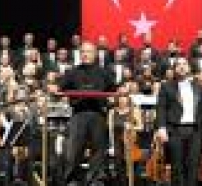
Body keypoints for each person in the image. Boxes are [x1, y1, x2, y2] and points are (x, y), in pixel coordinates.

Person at [48, 41, 116, 186]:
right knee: (74, 150)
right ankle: (71, 180)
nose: (85, 54)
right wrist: (54, 88)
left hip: (98, 114)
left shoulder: (104, 72)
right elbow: (59, 88)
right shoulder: (72, 72)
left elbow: (115, 88)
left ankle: (95, 181)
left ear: (95, 54)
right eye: (83, 52)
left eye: (88, 51)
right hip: (79, 114)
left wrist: (120, 90)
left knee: (98, 149)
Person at [156, 57, 202, 186]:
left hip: (195, 131)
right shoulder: (166, 86)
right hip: (175, 130)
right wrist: (161, 128)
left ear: (189, 67)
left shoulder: (199, 88)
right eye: (178, 65)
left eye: (184, 64)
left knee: (193, 165)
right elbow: (161, 108)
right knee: (177, 166)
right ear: (174, 69)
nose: (181, 66)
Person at [107, 90, 143, 185]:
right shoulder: (112, 112)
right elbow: (110, 130)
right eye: (120, 97)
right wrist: (111, 145)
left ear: (128, 98)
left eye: (124, 97)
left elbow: (141, 127)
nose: (122, 99)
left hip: (130, 142)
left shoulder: (134, 110)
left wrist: (131, 127)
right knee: (119, 169)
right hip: (117, 144)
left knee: (133, 169)